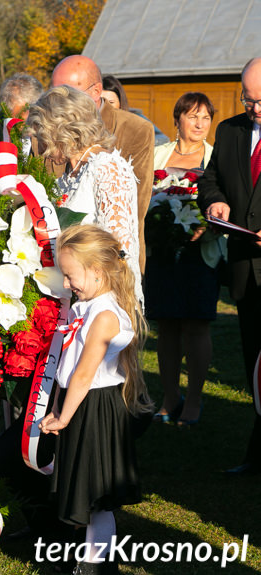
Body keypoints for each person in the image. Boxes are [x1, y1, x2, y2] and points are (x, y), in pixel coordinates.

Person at [40, 224, 149, 575]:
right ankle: (84, 555)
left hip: (96, 408)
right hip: (77, 404)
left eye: (71, 276)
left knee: (96, 494)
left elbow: (85, 374)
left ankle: (97, 563)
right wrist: (57, 406)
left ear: (98, 271)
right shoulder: (84, 306)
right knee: (81, 485)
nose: (67, 284)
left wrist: (63, 416)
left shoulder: (104, 316)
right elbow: (66, 368)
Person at [198, 57, 261, 476]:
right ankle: (258, 453)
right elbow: (210, 179)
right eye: (248, 99)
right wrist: (214, 201)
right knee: (255, 365)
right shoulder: (230, 130)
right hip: (246, 272)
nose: (254, 108)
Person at [26, 85, 143, 305]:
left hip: (105, 299)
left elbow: (119, 250)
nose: (41, 148)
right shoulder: (72, 173)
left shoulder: (107, 167)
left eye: (42, 136)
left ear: (61, 131)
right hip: (77, 295)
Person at [147, 93, 216, 426]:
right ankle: (171, 395)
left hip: (200, 252)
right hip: (163, 252)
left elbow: (224, 201)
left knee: (196, 325)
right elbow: (143, 195)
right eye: (193, 117)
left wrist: (205, 227)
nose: (200, 124)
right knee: (167, 326)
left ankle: (196, 399)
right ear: (178, 120)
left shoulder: (216, 158)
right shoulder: (157, 154)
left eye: (205, 118)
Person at [51, 55, 155, 272]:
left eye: (67, 92)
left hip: (106, 264)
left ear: (96, 91)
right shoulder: (49, 127)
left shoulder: (134, 129)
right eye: (53, 92)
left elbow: (136, 207)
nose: (57, 101)